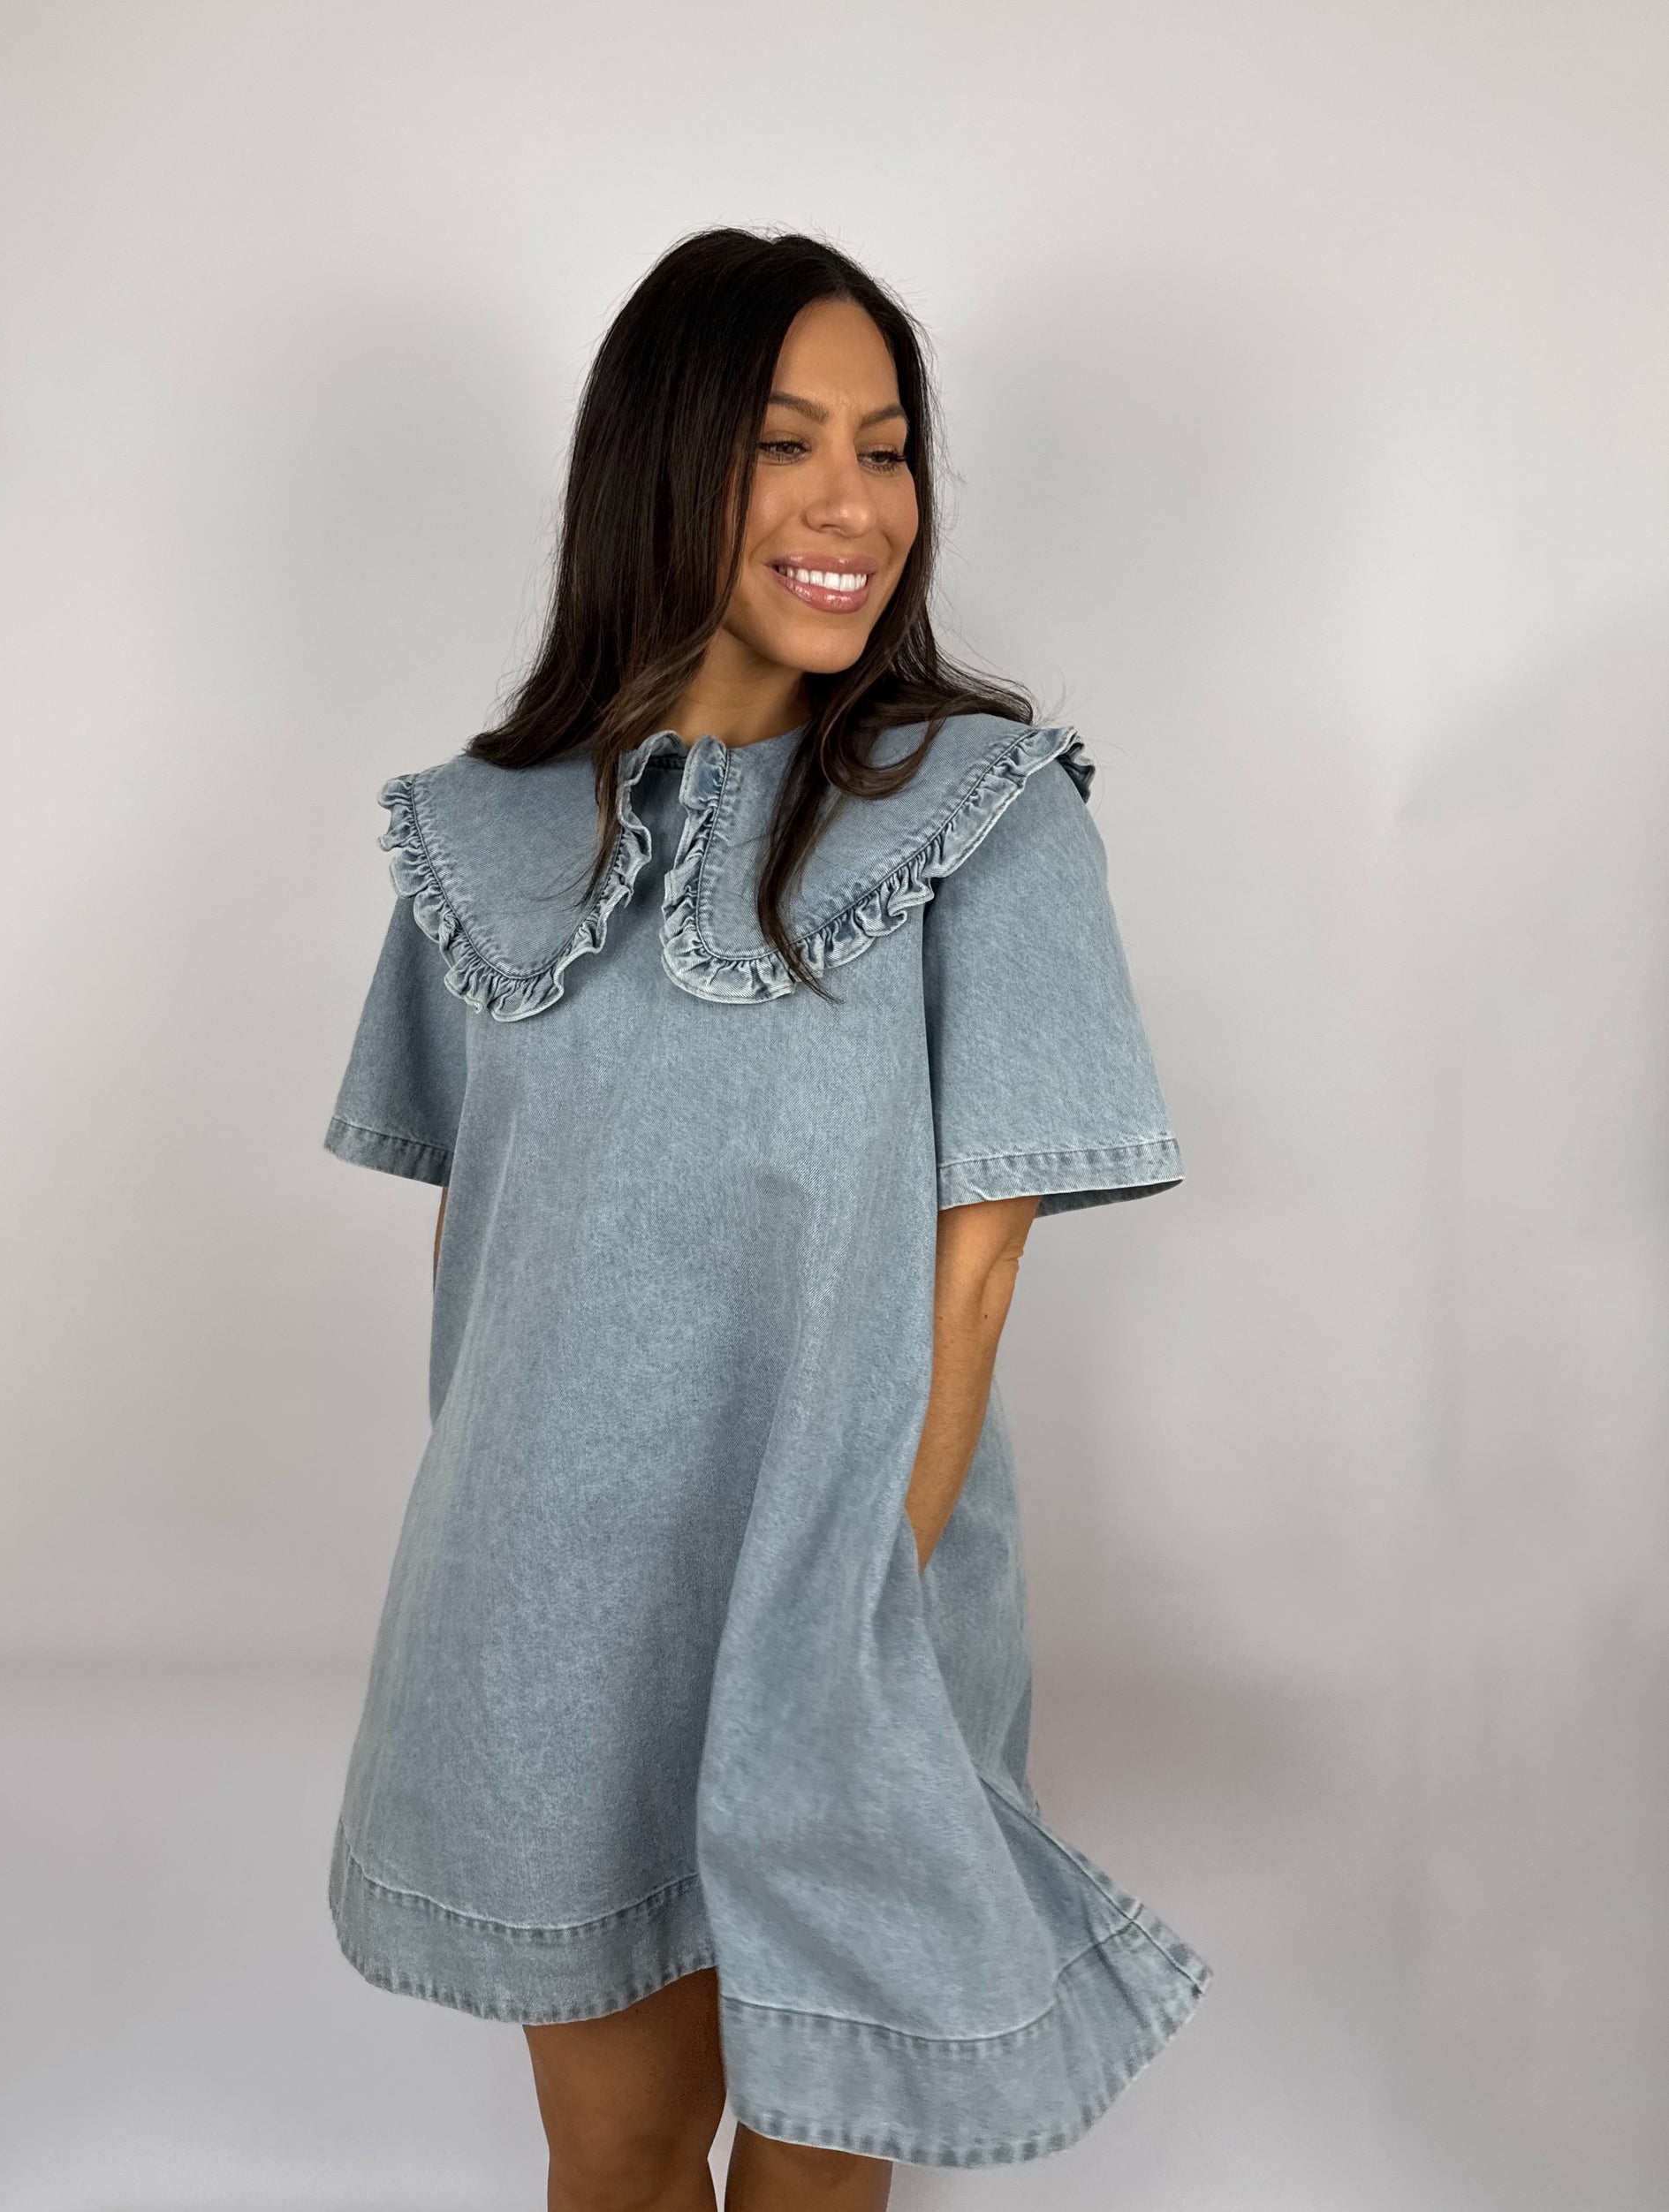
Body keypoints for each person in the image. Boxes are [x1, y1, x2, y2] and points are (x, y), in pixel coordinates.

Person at [322, 227, 1207, 2210]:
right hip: (552, 1607)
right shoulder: (491, 830)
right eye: (785, 442)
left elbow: (970, 1277)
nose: (850, 505)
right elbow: (483, 1255)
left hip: (843, 1592)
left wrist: (849, 1634)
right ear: (662, 463)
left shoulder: (982, 809)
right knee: (619, 2151)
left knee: (816, 2169)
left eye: (887, 449)